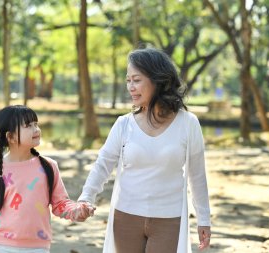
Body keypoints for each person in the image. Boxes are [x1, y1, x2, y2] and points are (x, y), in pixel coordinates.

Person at [78, 47, 211, 253]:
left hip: (169, 219)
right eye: (128, 80)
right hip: (126, 216)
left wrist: (203, 219)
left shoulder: (188, 123)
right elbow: (103, 164)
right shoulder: (123, 124)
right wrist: (86, 197)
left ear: (158, 80)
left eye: (137, 80)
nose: (131, 87)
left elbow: (197, 175)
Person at [0, 105, 95, 253]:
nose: (36, 129)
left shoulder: (48, 167)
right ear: (10, 137)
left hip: (39, 247)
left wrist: (78, 210)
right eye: (28, 126)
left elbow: (60, 204)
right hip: (3, 247)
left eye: (36, 124)